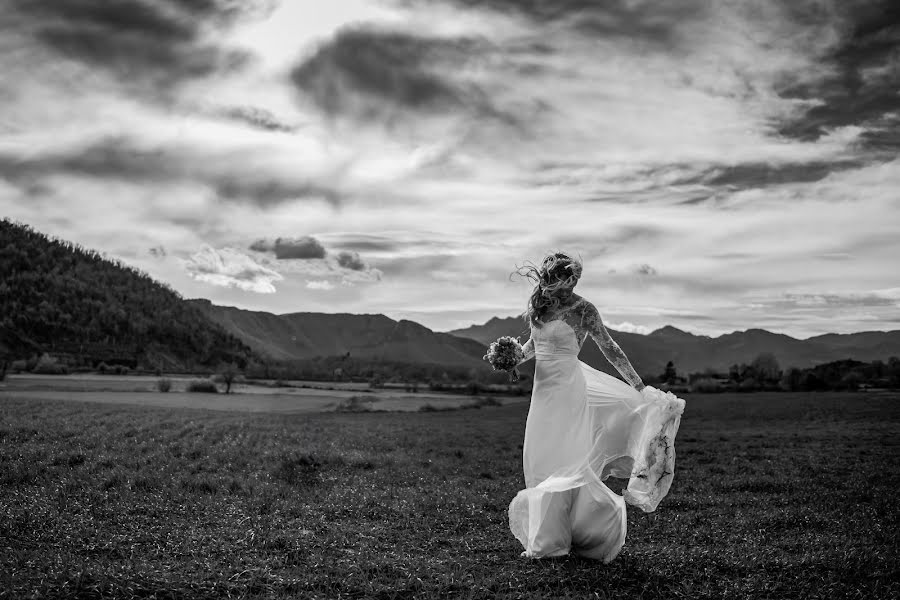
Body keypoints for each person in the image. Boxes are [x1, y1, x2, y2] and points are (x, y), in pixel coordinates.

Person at [504, 252, 685, 562]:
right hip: (542, 393)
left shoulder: (584, 309)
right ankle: (550, 540)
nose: (575, 283)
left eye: (577, 278)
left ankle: (582, 532)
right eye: (570, 277)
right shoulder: (541, 308)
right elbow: (531, 349)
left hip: (569, 389)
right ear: (555, 278)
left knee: (568, 459)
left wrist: (639, 387)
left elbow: (610, 348)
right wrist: (508, 357)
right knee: (539, 458)